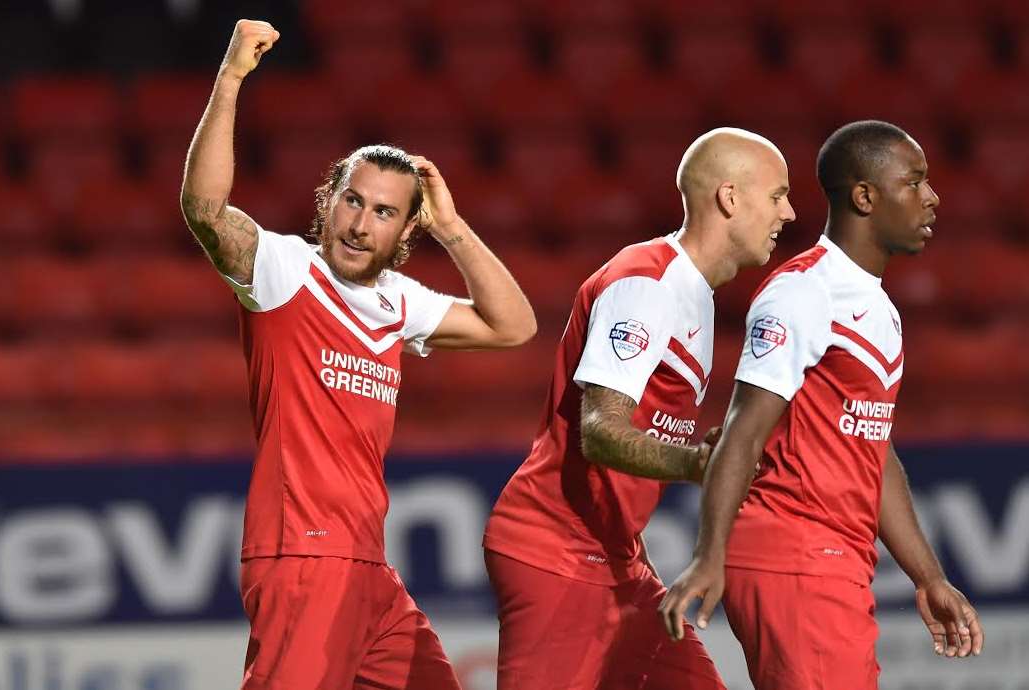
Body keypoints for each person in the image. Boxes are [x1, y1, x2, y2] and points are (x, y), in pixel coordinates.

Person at [180, 20, 536, 690]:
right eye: (351, 200)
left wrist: (453, 228)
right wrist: (229, 78)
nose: (358, 222)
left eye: (382, 212)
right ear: (327, 201)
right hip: (302, 555)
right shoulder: (283, 270)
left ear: (407, 229)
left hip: (369, 568)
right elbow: (204, 209)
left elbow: (512, 326)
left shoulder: (400, 301)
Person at [658, 120, 984, 689]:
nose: (931, 198)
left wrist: (929, 577)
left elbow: (870, 447)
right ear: (865, 196)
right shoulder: (802, 293)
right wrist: (710, 553)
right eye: (913, 182)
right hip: (795, 556)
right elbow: (742, 431)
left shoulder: (877, 308)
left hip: (833, 563)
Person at [483, 127, 796, 689]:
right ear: (730, 197)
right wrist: (700, 464)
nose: (790, 212)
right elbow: (599, 432)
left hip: (616, 562)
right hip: (557, 552)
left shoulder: (692, 292)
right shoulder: (649, 284)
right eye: (777, 195)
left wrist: (638, 556)